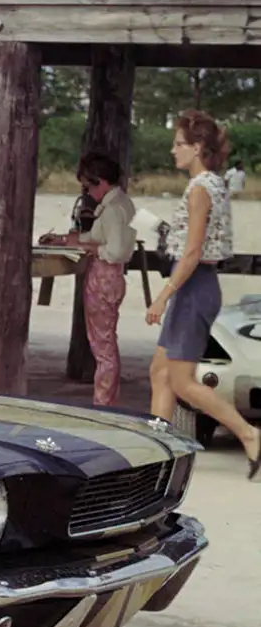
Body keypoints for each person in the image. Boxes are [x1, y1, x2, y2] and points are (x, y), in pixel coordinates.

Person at [146, 109, 260, 478]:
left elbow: (193, 252)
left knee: (181, 380)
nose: (172, 151)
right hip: (197, 285)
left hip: (193, 286)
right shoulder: (214, 184)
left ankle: (248, 432)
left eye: (178, 144)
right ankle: (156, 452)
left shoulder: (200, 189)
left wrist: (164, 295)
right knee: (160, 372)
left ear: (197, 148)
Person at [44, 152, 137, 408]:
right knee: (104, 342)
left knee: (103, 347)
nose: (87, 191)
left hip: (104, 276)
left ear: (101, 181)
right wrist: (64, 239)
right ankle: (105, 400)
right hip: (108, 277)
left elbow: (115, 251)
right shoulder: (118, 205)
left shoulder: (113, 210)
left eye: (88, 185)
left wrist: (94, 250)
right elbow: (94, 237)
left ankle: (104, 403)